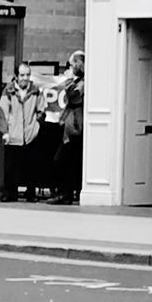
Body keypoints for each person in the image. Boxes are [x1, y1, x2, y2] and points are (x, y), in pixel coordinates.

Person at [0, 62, 44, 202]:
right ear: (16, 76)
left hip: (30, 134)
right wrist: (5, 132)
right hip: (13, 134)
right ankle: (9, 194)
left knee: (31, 166)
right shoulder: (8, 91)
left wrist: (35, 127)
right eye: (22, 75)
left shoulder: (36, 91)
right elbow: (2, 112)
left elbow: (41, 111)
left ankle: (31, 194)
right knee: (11, 167)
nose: (25, 78)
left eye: (28, 75)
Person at [48, 50, 84, 205]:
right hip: (69, 126)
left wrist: (69, 80)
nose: (69, 67)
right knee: (64, 161)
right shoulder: (78, 81)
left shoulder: (82, 82)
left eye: (71, 64)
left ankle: (65, 194)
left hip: (75, 127)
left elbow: (74, 97)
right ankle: (65, 193)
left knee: (64, 160)